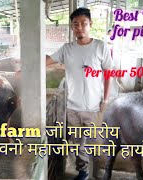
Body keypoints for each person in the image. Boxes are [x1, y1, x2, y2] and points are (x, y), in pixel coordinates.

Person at [46, 8, 113, 180]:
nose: (79, 27)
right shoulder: (66, 49)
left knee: (92, 143)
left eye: (83, 23)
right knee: (77, 143)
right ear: (71, 27)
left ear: (90, 24)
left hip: (93, 107)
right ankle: (83, 171)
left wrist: (105, 100)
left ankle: (96, 172)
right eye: (75, 24)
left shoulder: (100, 46)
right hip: (72, 107)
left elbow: (108, 74)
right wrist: (27, 66)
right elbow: (46, 61)